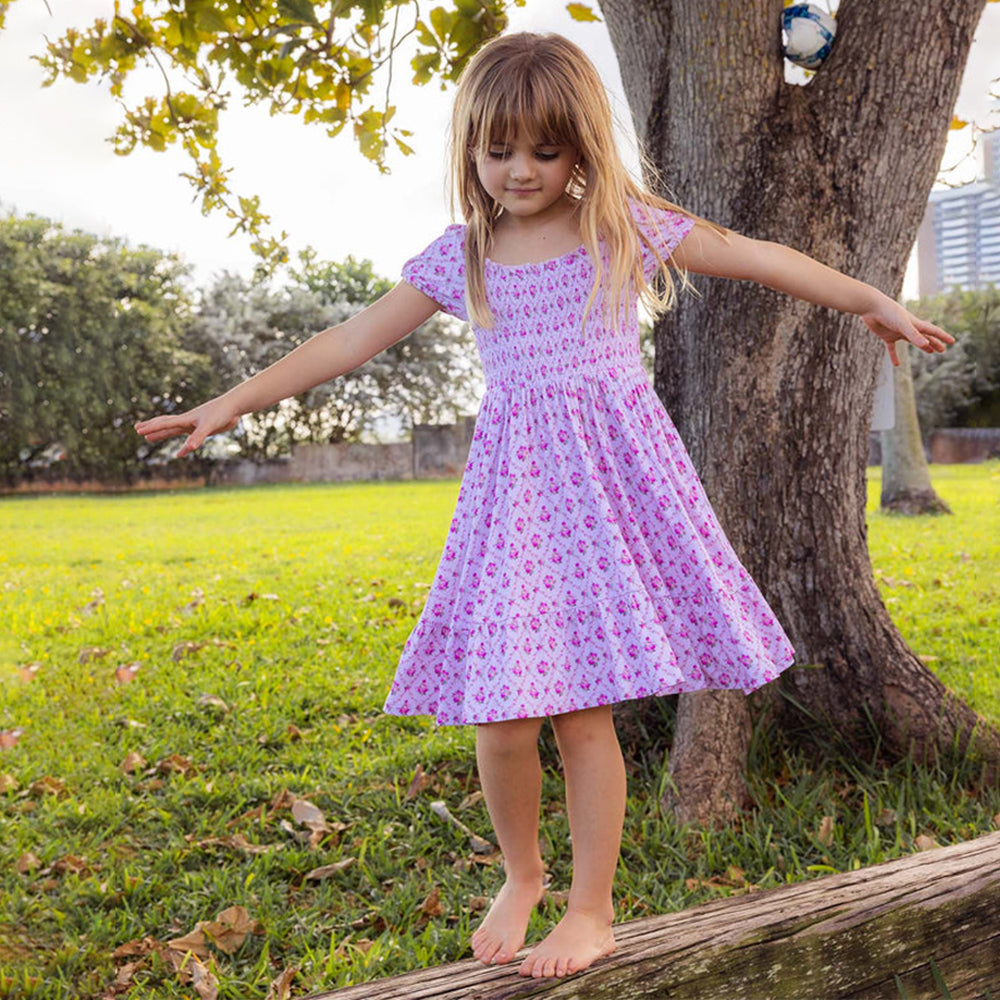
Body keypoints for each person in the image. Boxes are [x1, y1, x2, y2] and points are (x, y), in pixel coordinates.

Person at [134, 31, 954, 982]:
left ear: (580, 152)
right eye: (496, 150)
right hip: (513, 506)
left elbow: (760, 257)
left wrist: (869, 299)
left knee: (582, 718)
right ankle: (520, 873)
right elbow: (350, 340)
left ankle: (592, 907)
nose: (517, 170)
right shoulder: (464, 254)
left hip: (606, 499)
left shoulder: (621, 230)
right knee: (502, 714)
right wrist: (231, 402)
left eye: (543, 150)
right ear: (471, 150)